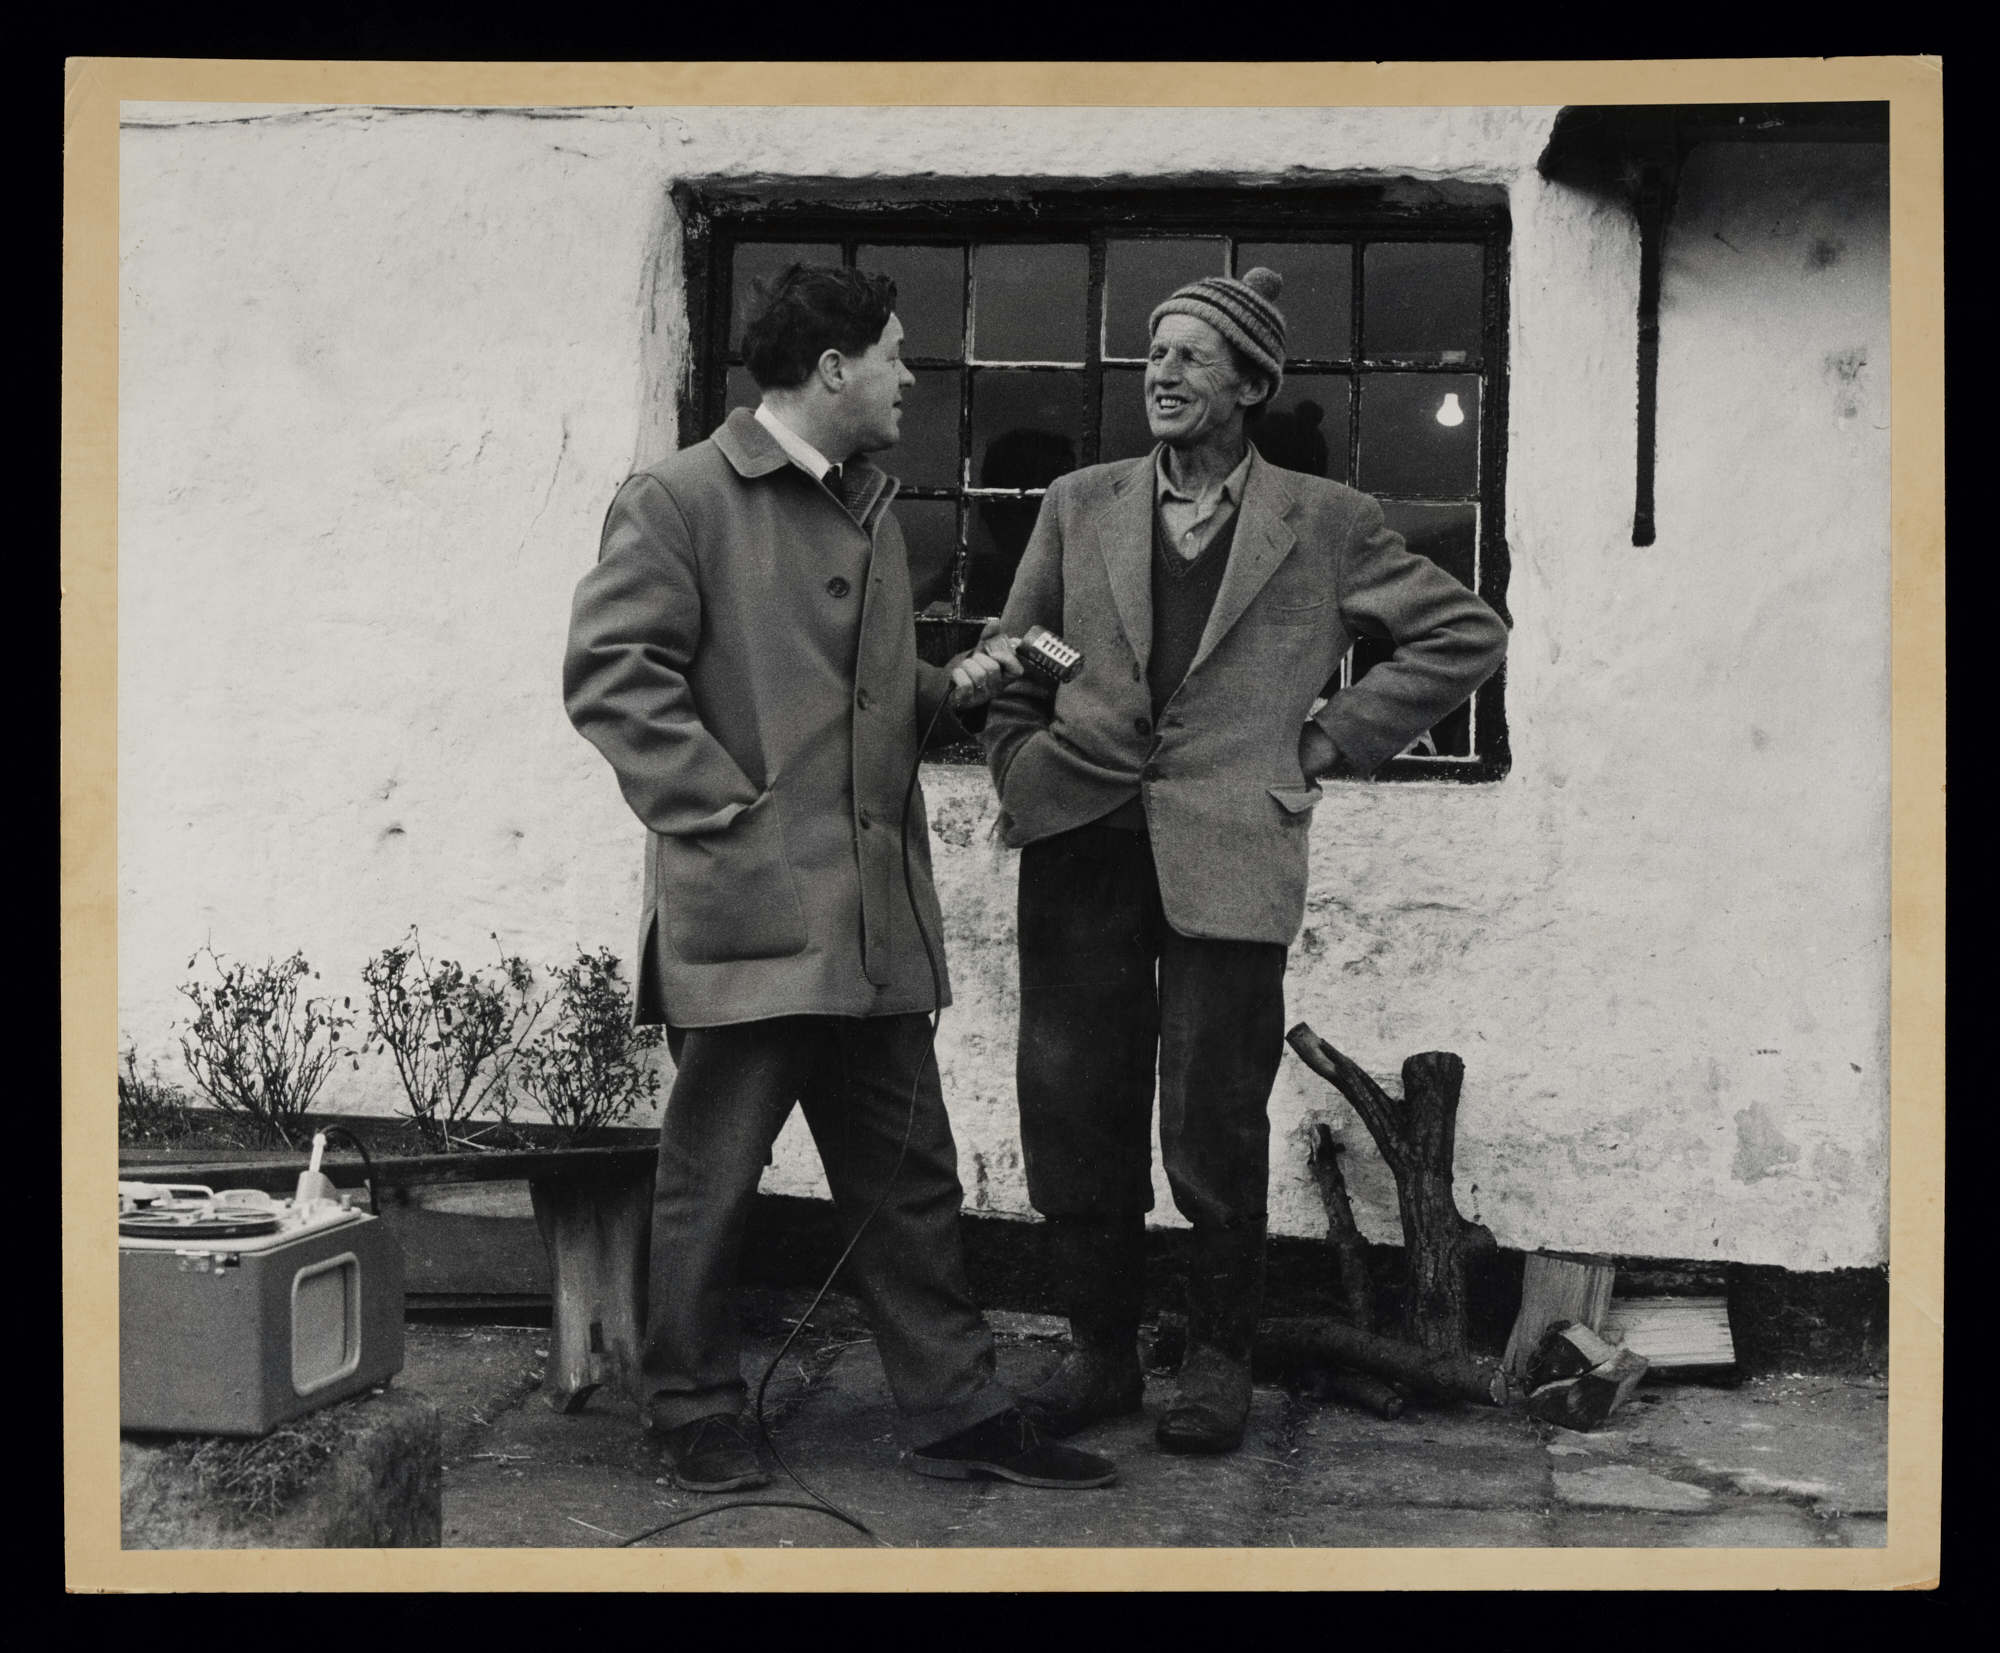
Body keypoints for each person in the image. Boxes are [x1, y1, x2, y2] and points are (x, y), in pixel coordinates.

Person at [563, 263, 1115, 1494]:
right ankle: (691, 1406)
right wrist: (729, 818)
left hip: (870, 922)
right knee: (711, 1182)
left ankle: (956, 1409)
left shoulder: (864, 506)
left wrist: (956, 685)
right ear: (831, 370)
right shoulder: (678, 498)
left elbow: (856, 709)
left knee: (911, 1178)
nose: (910, 378)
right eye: (896, 356)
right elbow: (613, 679)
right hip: (757, 910)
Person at [980, 267, 1508, 1456]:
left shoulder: (1323, 520)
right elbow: (1018, 641)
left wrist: (1325, 736)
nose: (1158, 374)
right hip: (1078, 840)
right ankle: (1099, 1356)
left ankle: (1217, 1361)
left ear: (1250, 384)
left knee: (1212, 1117)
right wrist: (1030, 742)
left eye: (1187, 356)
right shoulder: (1079, 501)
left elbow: (1463, 631)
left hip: (1230, 847)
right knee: (1071, 1106)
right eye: (1151, 354)